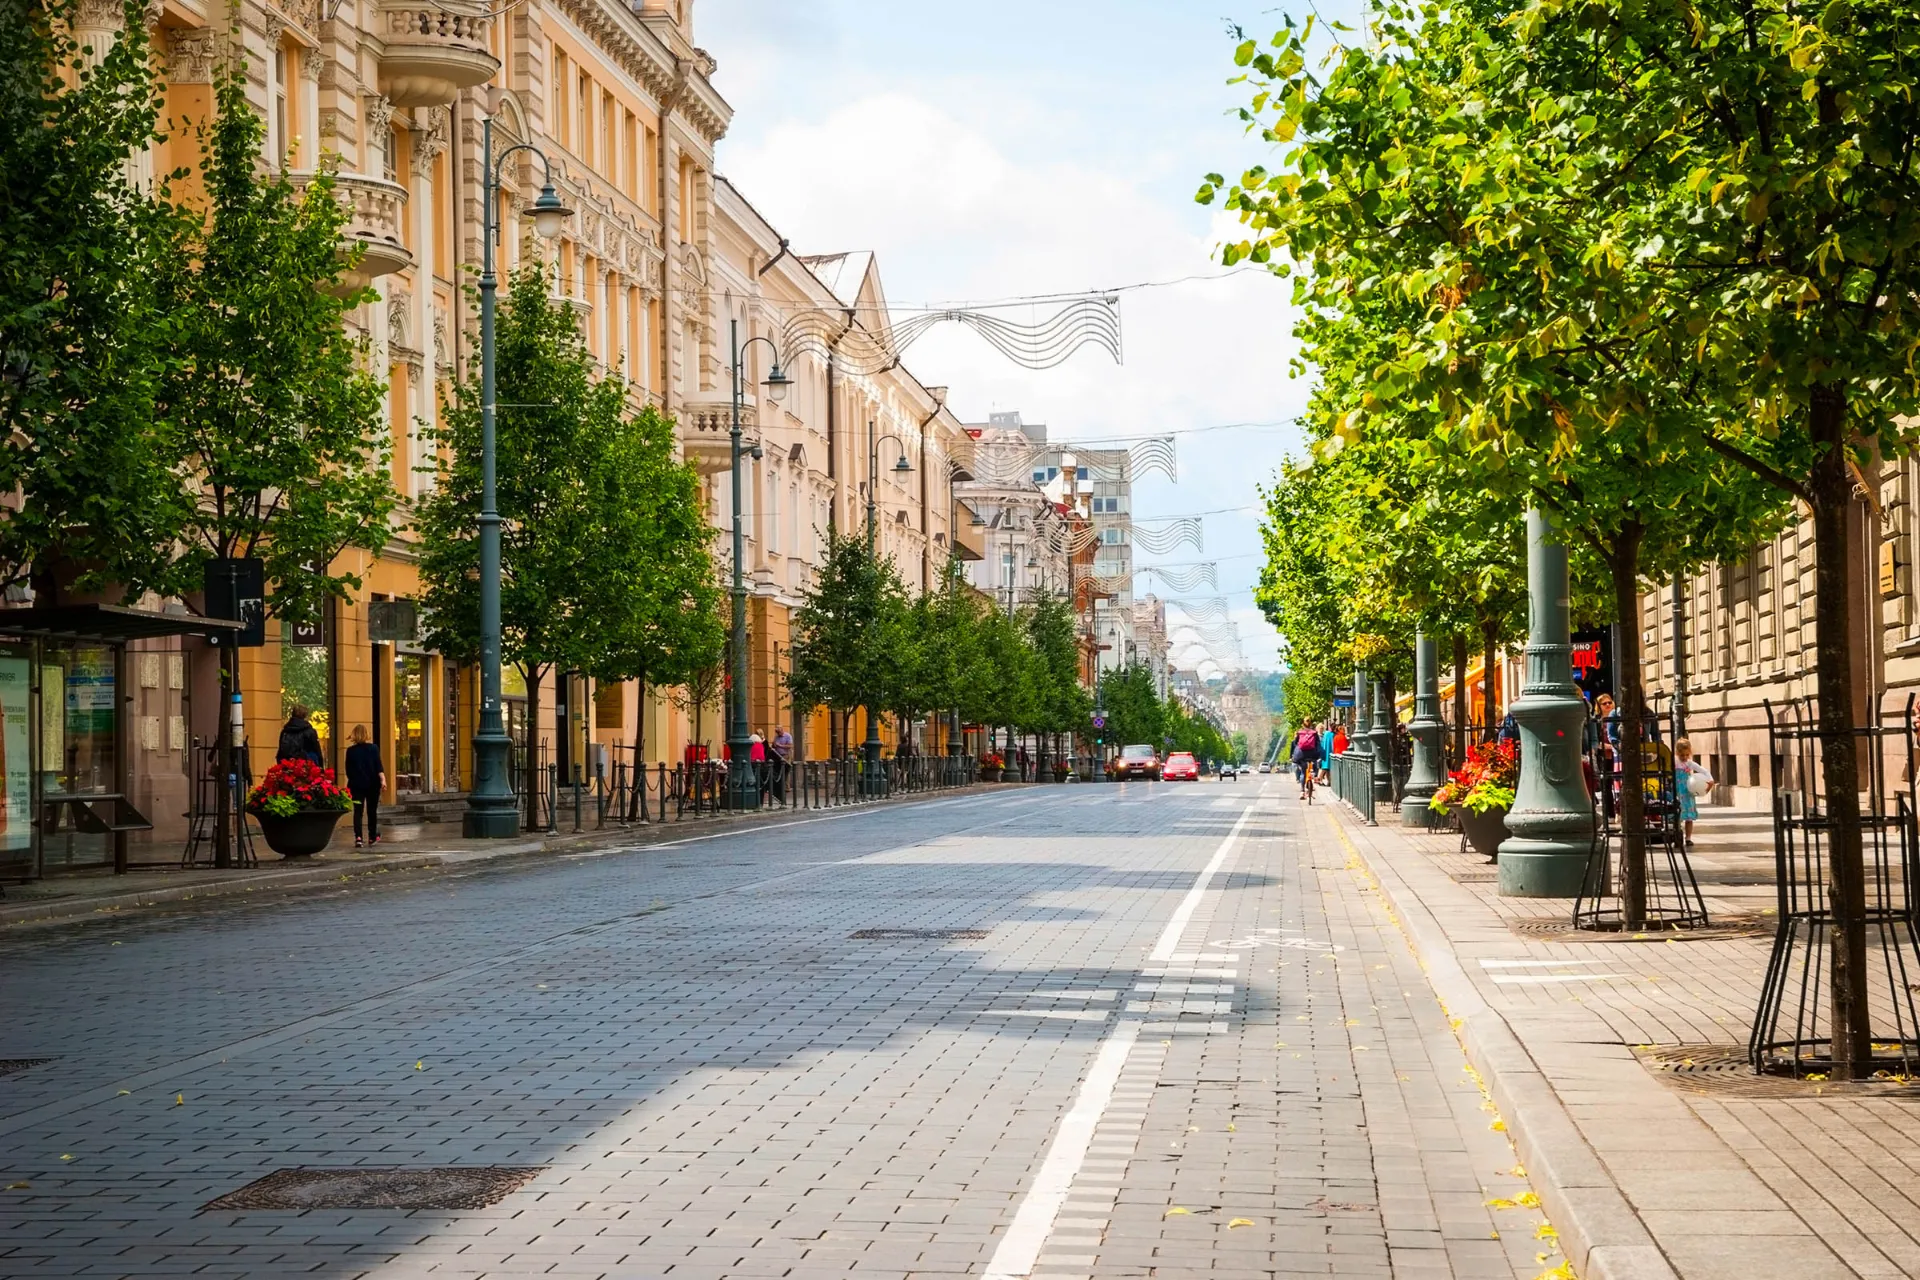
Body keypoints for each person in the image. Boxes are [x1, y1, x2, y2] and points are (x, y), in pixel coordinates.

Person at [344, 724, 385, 847]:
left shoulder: (350, 751)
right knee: (372, 811)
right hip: (373, 784)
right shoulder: (373, 748)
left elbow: (348, 770)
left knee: (358, 812)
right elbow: (378, 766)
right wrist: (383, 780)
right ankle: (372, 836)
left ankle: (358, 837)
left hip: (356, 784)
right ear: (366, 734)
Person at [1674, 737, 1711, 847]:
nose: (1685, 757)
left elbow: (1703, 771)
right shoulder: (1675, 762)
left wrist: (1710, 781)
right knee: (1677, 815)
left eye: (1687, 755)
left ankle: (1688, 838)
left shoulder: (1689, 764)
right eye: (1682, 755)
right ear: (1677, 753)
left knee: (1689, 817)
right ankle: (1677, 835)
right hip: (1677, 792)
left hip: (1687, 792)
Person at [1290, 721, 1322, 800]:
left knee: (1303, 772)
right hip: (1312, 754)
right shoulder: (1314, 733)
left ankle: (1302, 791)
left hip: (1302, 755)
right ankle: (1312, 779)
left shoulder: (1299, 733)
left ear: (1303, 725)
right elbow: (1318, 743)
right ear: (1311, 725)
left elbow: (1296, 743)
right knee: (1314, 766)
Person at [770, 725, 793, 803]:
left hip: (786, 755)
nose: (778, 734)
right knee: (780, 771)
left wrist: (781, 746)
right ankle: (781, 786)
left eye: (779, 732)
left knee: (786, 770)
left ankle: (787, 787)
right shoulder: (776, 737)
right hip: (778, 756)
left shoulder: (787, 736)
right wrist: (773, 745)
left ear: (782, 730)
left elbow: (790, 745)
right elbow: (774, 745)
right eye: (777, 732)